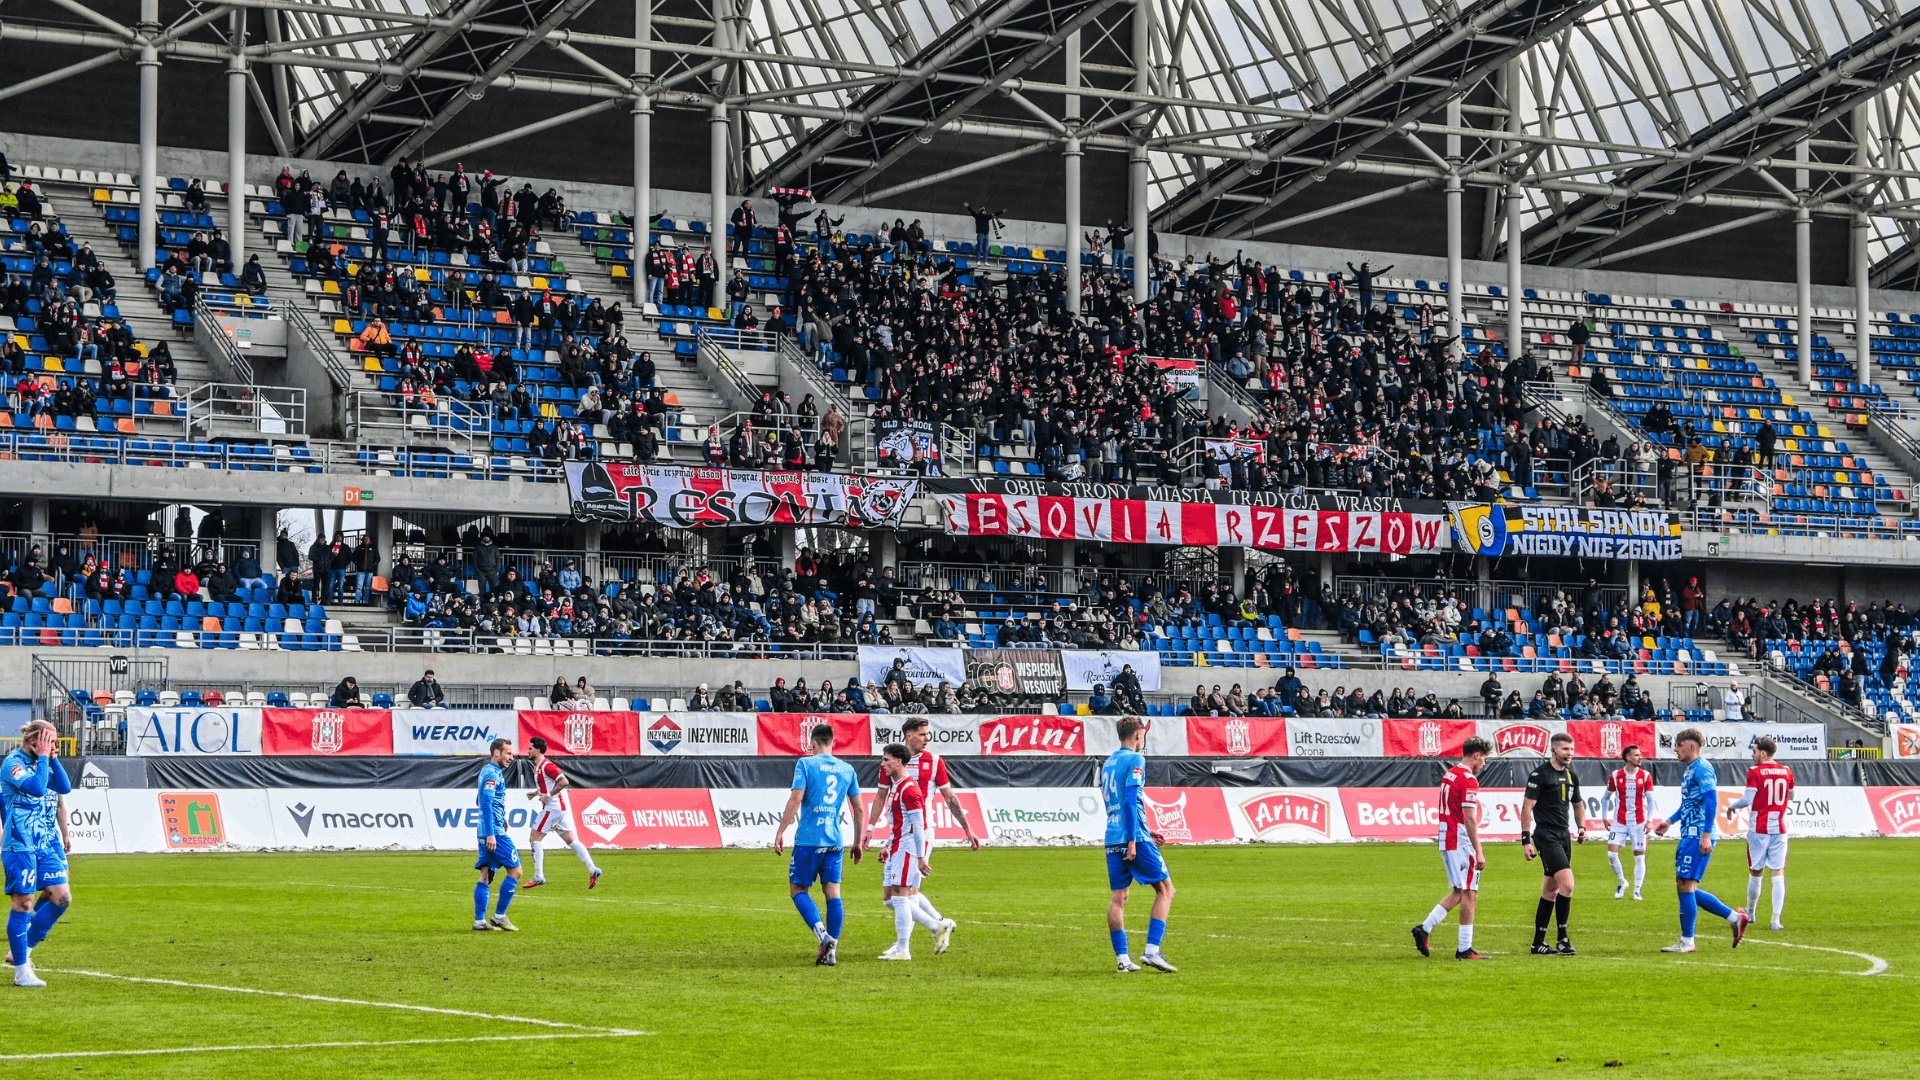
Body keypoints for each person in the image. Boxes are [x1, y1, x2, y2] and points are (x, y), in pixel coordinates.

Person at [866, 717, 978, 953]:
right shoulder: (891, 761)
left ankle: (906, 943)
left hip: (920, 832)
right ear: (909, 735)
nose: (927, 738)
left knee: (906, 892)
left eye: (927, 734)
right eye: (922, 734)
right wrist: (873, 829)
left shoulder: (934, 761)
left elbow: (950, 797)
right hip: (899, 832)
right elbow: (881, 796)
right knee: (893, 896)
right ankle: (938, 923)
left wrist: (967, 827)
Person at [772, 723, 865, 967]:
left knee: (798, 890)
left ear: (812, 743)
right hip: (835, 841)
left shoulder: (805, 764)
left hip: (809, 840)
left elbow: (796, 798)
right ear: (834, 742)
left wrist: (781, 831)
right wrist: (857, 842)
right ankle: (831, 951)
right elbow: (858, 809)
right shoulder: (847, 769)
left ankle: (823, 936)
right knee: (833, 893)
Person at [1652, 728, 1751, 953]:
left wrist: (1706, 834)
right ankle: (1735, 918)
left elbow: (1712, 801)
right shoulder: (1690, 770)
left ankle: (1688, 941)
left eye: (1679, 745)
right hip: (1689, 833)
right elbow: (1689, 804)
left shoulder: (1703, 768)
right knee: (1685, 886)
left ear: (1692, 746)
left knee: (1686, 886)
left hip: (1698, 834)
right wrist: (1669, 821)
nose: (1676, 749)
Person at [1101, 717, 1175, 973]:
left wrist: (1143, 828)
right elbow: (1131, 800)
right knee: (1166, 890)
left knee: (1118, 898)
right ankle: (1152, 951)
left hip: (1113, 836)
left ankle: (1123, 960)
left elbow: (1115, 803)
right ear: (1137, 736)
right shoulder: (1136, 759)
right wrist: (1134, 837)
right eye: (1143, 734)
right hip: (1133, 837)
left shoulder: (1108, 764)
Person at [2, 720, 72, 988]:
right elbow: (36, 788)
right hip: (20, 843)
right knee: (24, 903)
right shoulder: (13, 763)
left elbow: (64, 788)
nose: (53, 746)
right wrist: (44, 758)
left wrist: (52, 759)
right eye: (49, 741)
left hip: (45, 842)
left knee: (61, 898)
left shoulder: (45, 761)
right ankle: (21, 972)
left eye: (55, 741)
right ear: (33, 741)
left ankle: (23, 947)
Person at [1411, 735, 1490, 960]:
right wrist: (1479, 850)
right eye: (1484, 759)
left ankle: (1424, 928)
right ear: (1476, 755)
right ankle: (1464, 948)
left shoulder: (1450, 773)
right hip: (1460, 841)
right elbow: (1469, 818)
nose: (1483, 764)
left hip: (1447, 838)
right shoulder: (1468, 779)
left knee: (1459, 891)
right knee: (1470, 893)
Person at [1520, 732, 1586, 955]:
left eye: (1572, 749)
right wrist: (1526, 840)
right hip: (1546, 835)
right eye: (1565, 749)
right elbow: (1527, 808)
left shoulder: (1571, 775)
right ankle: (1562, 938)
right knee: (1568, 885)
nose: (1570, 753)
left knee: (1551, 890)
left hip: (1563, 835)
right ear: (1554, 750)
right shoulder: (1539, 775)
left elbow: (1578, 804)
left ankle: (1538, 943)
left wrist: (1582, 827)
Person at [1723, 736, 1793, 931]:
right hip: (1779, 828)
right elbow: (1791, 795)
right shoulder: (1787, 771)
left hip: (1759, 828)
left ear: (1763, 753)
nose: (1752, 755)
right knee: (1778, 872)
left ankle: (1751, 913)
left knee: (1756, 871)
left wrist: (1732, 806)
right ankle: (1775, 920)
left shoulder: (1755, 771)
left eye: (1754, 751)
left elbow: (1747, 799)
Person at [875, 743, 936, 961]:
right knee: (889, 898)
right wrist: (887, 845)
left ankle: (903, 949)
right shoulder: (897, 785)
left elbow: (918, 825)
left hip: (907, 847)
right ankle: (936, 925)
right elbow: (899, 822)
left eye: (886, 760)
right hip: (896, 845)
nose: (882, 764)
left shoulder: (909, 789)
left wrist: (920, 857)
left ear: (898, 761)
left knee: (900, 897)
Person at [521, 736, 602, 890]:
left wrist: (548, 795)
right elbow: (548, 786)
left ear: (538, 750)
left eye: (530, 748)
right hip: (559, 809)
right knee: (571, 840)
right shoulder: (539, 767)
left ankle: (538, 876)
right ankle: (593, 869)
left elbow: (564, 781)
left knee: (534, 838)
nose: (528, 751)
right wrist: (537, 793)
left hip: (552, 808)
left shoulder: (547, 765)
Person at [472, 738, 521, 931]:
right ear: (497, 753)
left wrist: (502, 817)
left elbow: (480, 799)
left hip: (483, 829)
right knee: (516, 871)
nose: (511, 757)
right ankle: (499, 916)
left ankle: (479, 921)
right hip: (493, 831)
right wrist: (492, 833)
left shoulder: (487, 771)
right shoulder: (492, 773)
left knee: (486, 874)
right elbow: (485, 802)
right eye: (508, 753)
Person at [1603, 744, 1654, 901]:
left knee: (1639, 857)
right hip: (1619, 821)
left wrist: (1649, 821)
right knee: (1612, 854)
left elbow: (1651, 800)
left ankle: (1637, 890)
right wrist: (1604, 817)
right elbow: (1605, 798)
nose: (1640, 757)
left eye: (1640, 755)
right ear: (1628, 757)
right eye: (1636, 755)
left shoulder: (1645, 776)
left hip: (1638, 822)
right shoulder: (1615, 776)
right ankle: (1622, 882)